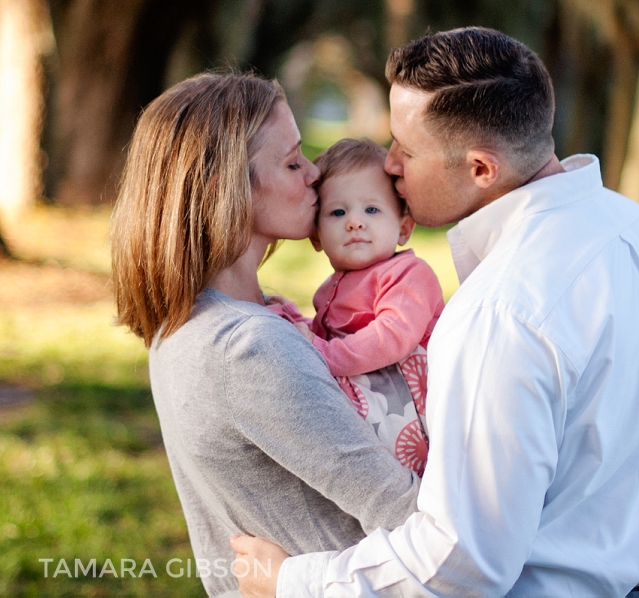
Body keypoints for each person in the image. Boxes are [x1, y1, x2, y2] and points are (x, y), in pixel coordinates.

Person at [232, 27, 639, 598]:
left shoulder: (502, 310)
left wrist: (291, 581)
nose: (389, 165)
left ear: (481, 169)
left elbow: (462, 560)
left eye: (406, 150)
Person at [109, 72, 421, 598]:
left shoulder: (190, 320)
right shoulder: (246, 348)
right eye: (293, 161)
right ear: (225, 186)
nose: (315, 172)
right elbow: (415, 521)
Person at [266, 138, 444, 476]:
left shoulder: (407, 275)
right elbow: (323, 337)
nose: (355, 222)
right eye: (338, 212)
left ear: (404, 228)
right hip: (370, 406)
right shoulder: (329, 290)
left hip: (409, 406)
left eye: (372, 209)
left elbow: (392, 337)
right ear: (316, 237)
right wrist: (294, 321)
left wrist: (321, 354)